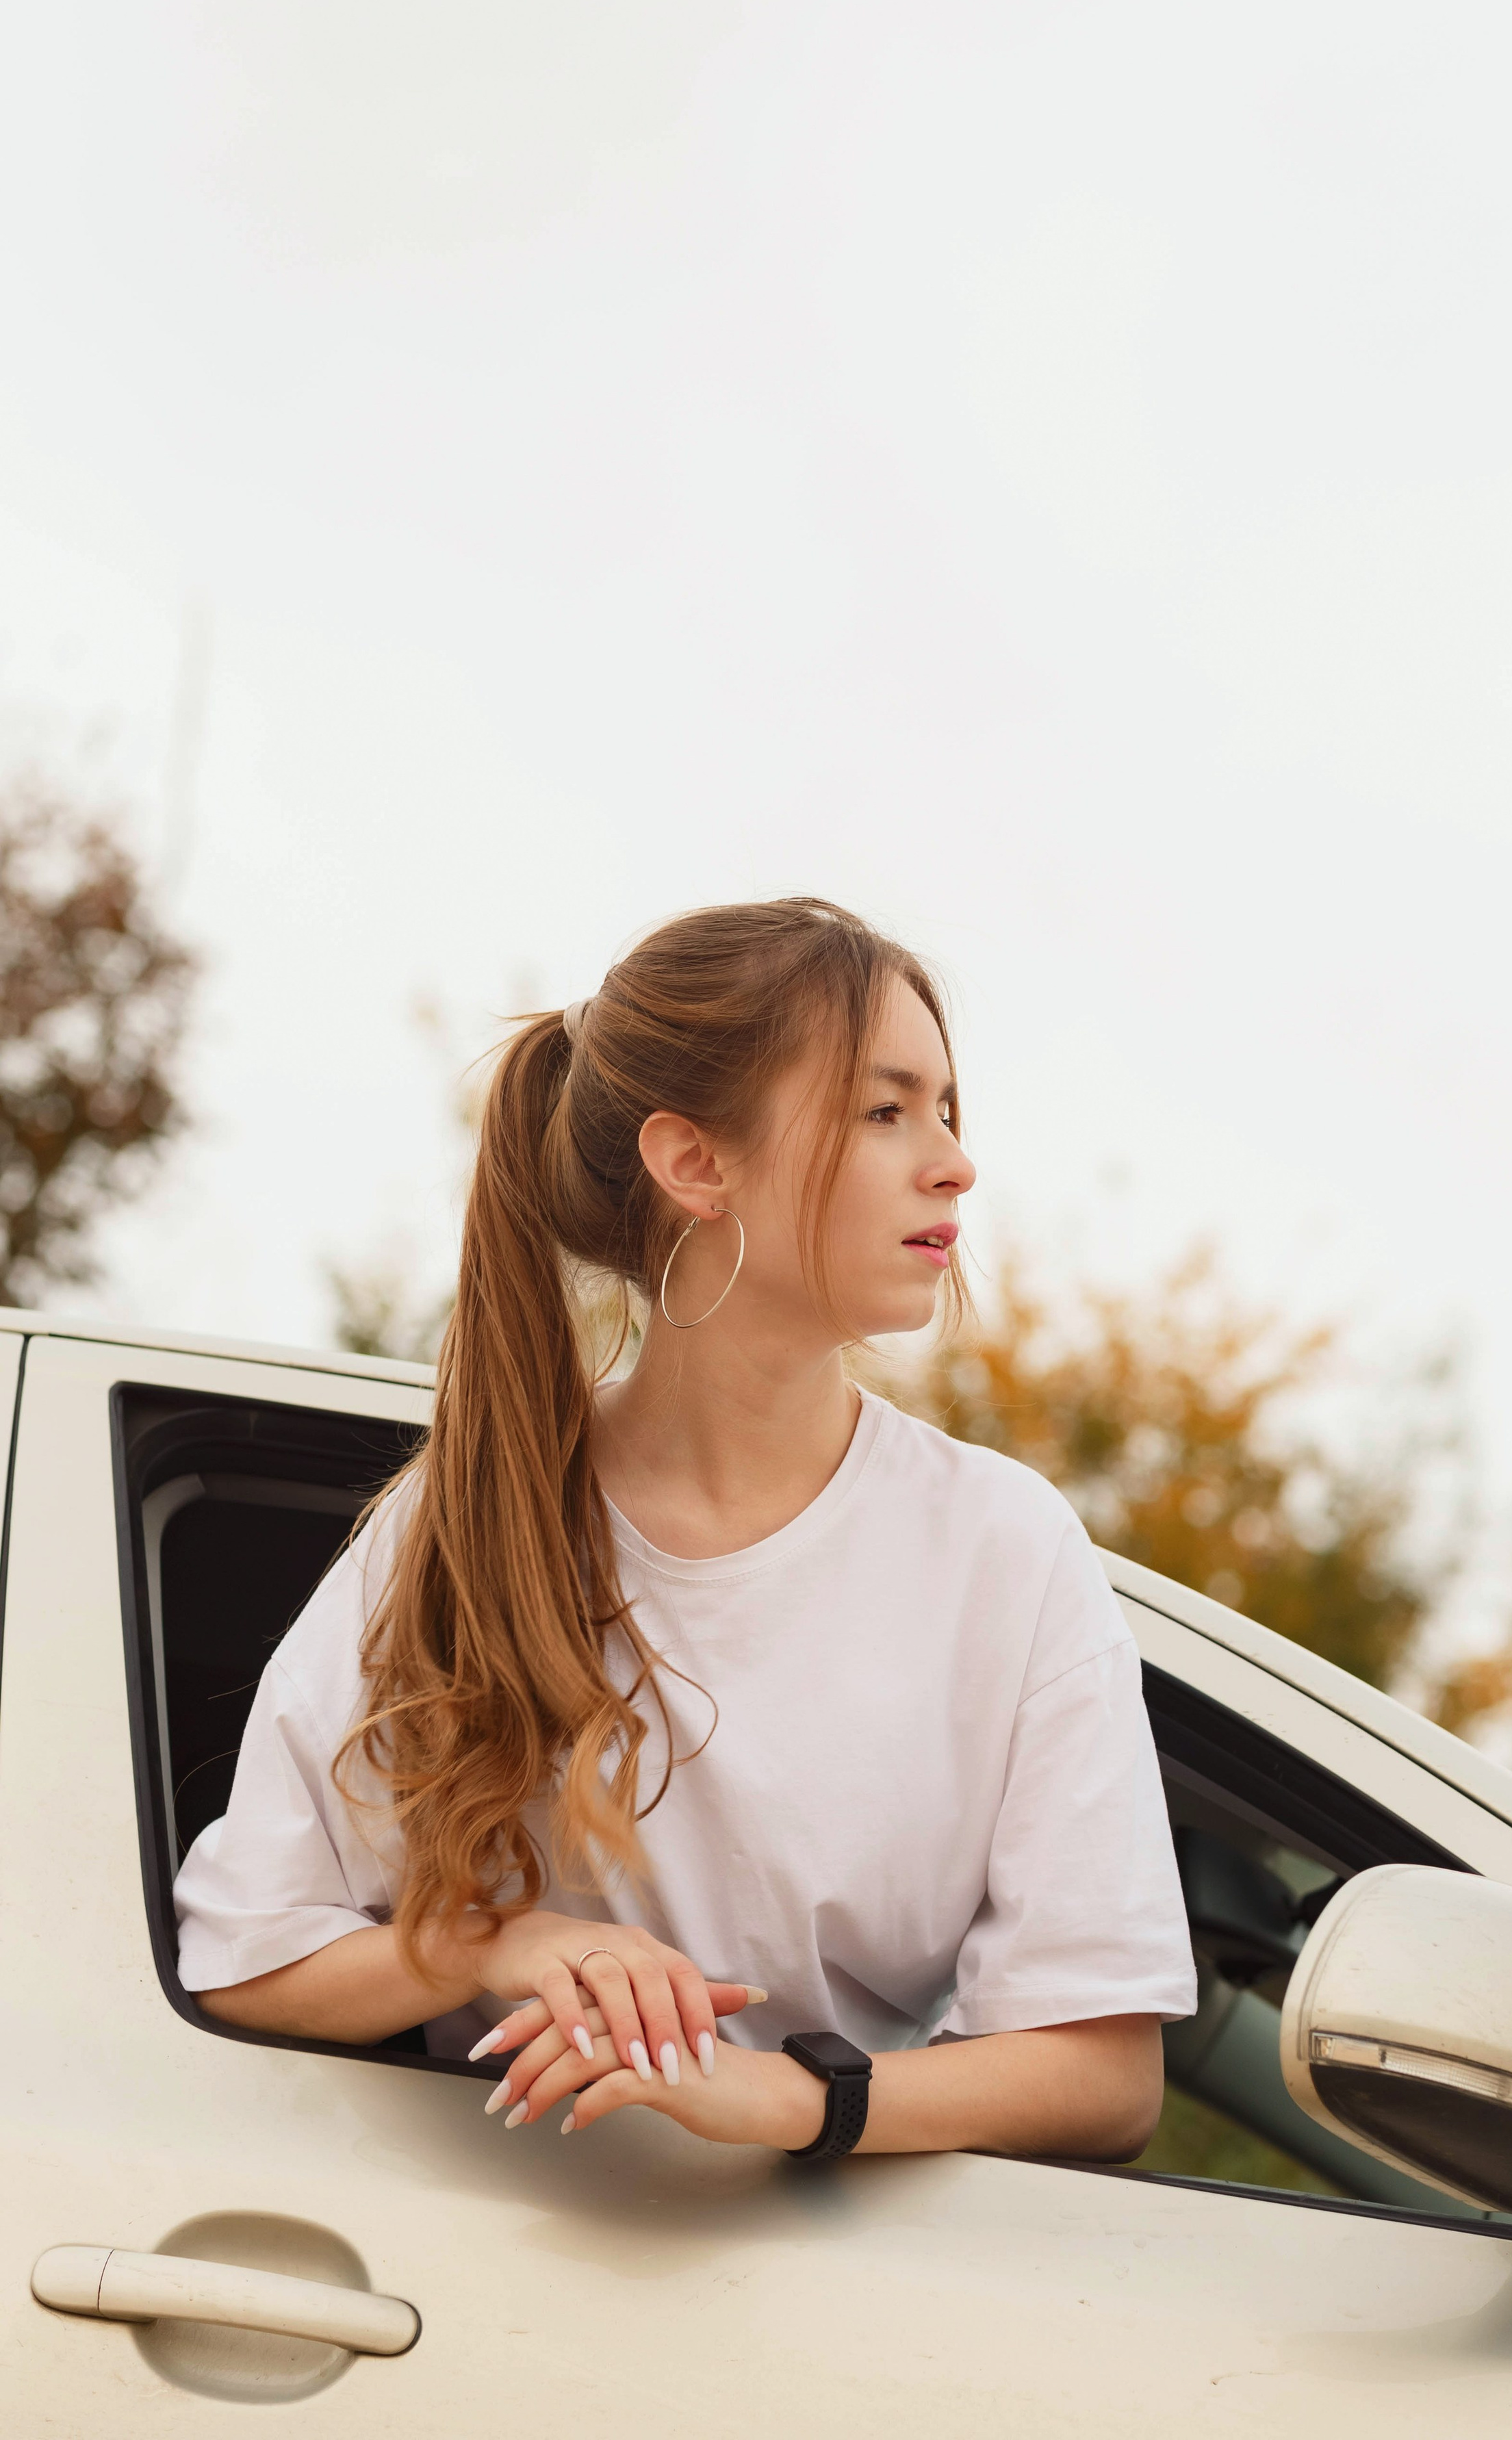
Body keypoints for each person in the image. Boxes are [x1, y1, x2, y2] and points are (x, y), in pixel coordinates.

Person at [175, 899, 1194, 2164]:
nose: (953, 1164)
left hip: (862, 2265)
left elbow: (1107, 2075)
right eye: (885, 1112)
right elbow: (246, 1959)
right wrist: (502, 1943)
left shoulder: (1005, 1546)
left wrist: (786, 2098)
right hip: (475, 2253)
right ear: (696, 1165)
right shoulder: (461, 1520)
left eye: (948, 1110)